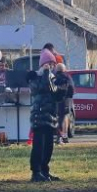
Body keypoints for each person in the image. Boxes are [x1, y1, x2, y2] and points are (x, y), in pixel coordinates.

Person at [28, 49, 66, 182]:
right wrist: (45, 73)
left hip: (51, 117)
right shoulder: (35, 77)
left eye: (53, 64)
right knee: (39, 145)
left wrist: (63, 87)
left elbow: (56, 96)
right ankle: (36, 172)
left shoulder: (52, 77)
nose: (51, 66)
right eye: (49, 63)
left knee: (49, 146)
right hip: (40, 115)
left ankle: (44, 170)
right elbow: (43, 88)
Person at [53, 62, 74, 144]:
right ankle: (65, 136)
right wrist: (69, 96)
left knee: (60, 118)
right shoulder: (68, 77)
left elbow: (54, 88)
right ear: (64, 69)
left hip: (59, 100)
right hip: (67, 100)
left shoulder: (56, 77)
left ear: (56, 69)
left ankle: (59, 137)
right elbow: (72, 88)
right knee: (65, 117)